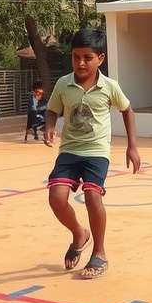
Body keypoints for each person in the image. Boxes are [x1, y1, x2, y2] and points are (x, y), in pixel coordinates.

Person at [43, 28, 140, 280]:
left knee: (92, 196)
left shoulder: (110, 86)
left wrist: (132, 146)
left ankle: (99, 252)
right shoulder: (63, 84)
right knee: (56, 197)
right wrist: (50, 127)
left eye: (87, 57)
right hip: (69, 151)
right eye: (76, 57)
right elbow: (53, 110)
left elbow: (128, 110)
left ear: (101, 59)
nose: (81, 63)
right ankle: (79, 233)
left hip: (97, 152)